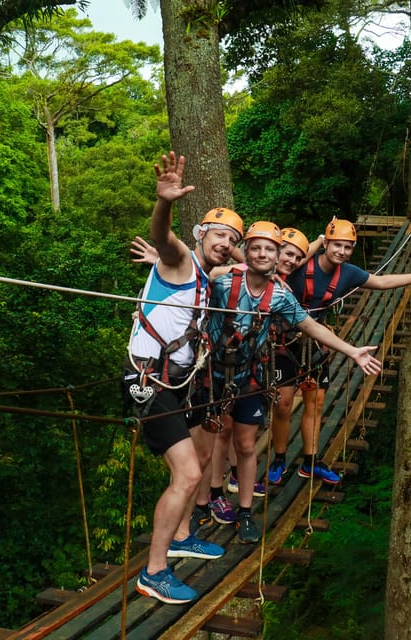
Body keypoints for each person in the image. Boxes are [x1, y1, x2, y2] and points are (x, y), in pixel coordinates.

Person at [204, 221, 383, 543]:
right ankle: (209, 500)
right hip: (213, 377)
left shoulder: (281, 296)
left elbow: (311, 326)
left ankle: (245, 513)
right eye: (256, 248)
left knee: (246, 445)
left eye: (269, 250)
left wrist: (352, 351)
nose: (262, 254)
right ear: (246, 251)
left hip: (250, 377)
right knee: (213, 440)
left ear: (277, 257)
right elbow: (195, 286)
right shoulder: (222, 282)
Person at [122, 151, 244, 605]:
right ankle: (154, 571)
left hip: (178, 383)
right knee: (189, 474)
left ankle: (182, 534)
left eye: (231, 238)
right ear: (201, 235)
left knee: (199, 450)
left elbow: (249, 269)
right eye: (218, 234)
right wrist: (165, 203)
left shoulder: (207, 283)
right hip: (150, 381)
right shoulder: (181, 263)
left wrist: (235, 255)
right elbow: (165, 240)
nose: (225, 242)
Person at [266, 218, 411, 486]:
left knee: (314, 402)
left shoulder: (348, 273)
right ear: (325, 244)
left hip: (316, 343)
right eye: (337, 245)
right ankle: (279, 459)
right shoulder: (302, 264)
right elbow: (286, 258)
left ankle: (311, 462)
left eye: (348, 247)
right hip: (284, 341)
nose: (341, 251)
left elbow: (382, 281)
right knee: (282, 405)